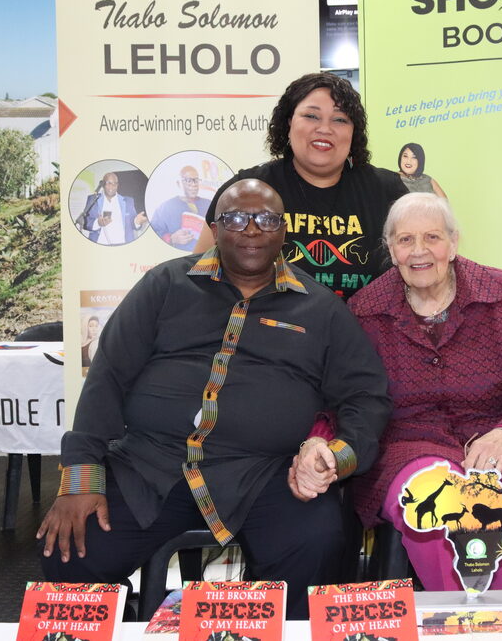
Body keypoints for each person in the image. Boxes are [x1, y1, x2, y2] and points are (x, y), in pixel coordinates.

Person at [38, 180, 392, 619]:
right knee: (70, 547)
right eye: (236, 218)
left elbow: (366, 396)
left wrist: (339, 455)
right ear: (214, 227)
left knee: (317, 542)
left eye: (266, 219)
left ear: (284, 231)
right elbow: (107, 376)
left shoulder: (321, 309)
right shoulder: (165, 284)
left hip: (264, 473)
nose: (252, 229)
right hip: (150, 465)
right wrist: (82, 478)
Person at [291, 192, 502, 593]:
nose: (419, 251)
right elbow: (345, 398)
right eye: (405, 240)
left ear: (453, 243)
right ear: (390, 249)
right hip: (410, 447)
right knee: (439, 515)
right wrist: (318, 443)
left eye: (432, 237)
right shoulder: (365, 310)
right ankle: (459, 623)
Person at [195, 73, 408, 300]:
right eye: (311, 116)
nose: (324, 128)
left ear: (353, 130)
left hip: (364, 323)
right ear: (289, 122)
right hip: (265, 322)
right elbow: (198, 280)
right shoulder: (246, 191)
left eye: (340, 119)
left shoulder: (387, 191)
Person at [150, 165, 212, 251]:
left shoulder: (209, 204)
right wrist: (171, 239)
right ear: (178, 183)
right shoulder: (165, 208)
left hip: (206, 255)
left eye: (196, 180)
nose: (194, 184)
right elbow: (153, 236)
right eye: (189, 180)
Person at [81, 172, 146, 245]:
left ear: (117, 185)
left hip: (123, 245)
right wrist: (98, 223)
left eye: (115, 183)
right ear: (103, 184)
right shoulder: (93, 199)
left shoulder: (128, 201)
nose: (112, 186)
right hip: (100, 245)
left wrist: (137, 222)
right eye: (109, 183)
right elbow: (86, 223)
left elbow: (133, 223)